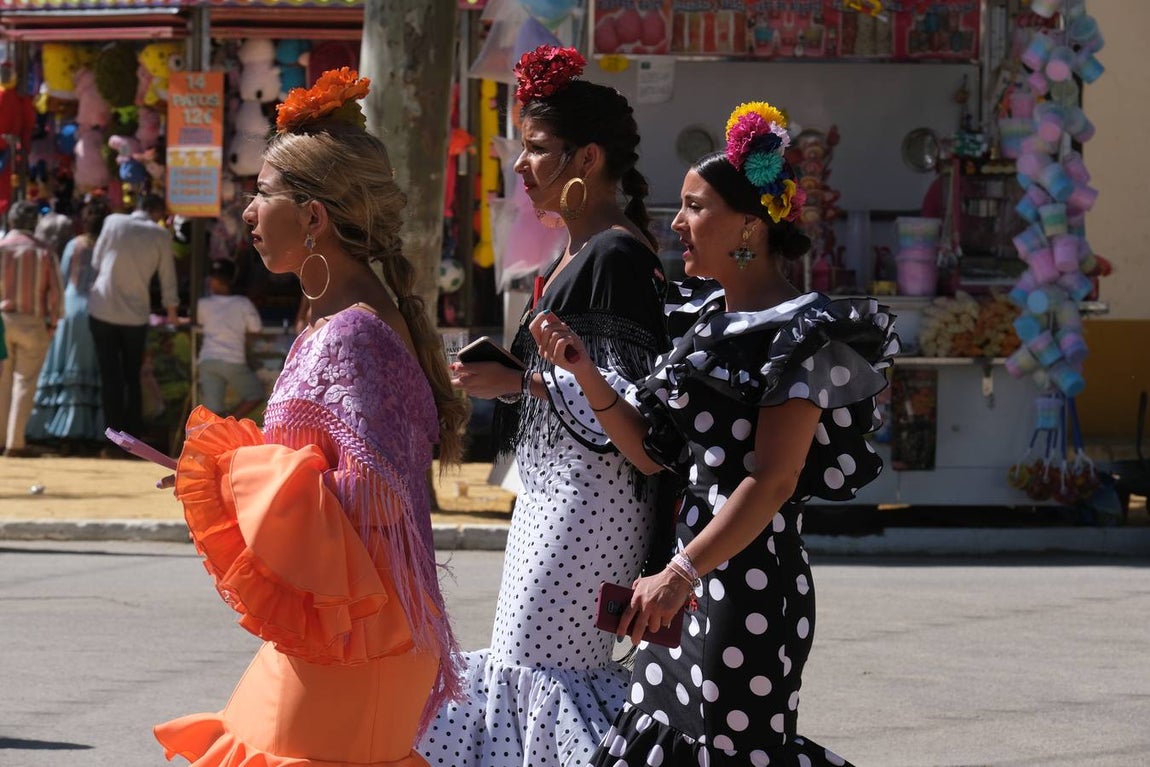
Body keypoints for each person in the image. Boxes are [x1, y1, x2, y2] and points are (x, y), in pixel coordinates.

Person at [531, 101, 900, 767]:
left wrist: (680, 571)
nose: (676, 223)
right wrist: (583, 372)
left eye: (695, 207)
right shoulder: (701, 322)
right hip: (685, 582)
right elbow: (651, 449)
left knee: (733, 750)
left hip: (747, 588)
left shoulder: (802, 329)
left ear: (750, 228)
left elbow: (773, 479)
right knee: (661, 743)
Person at [153, 67, 470, 767]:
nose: (248, 211)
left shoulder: (350, 334)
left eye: (263, 194)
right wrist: (238, 468)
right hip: (353, 635)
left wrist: (236, 472)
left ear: (315, 215)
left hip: (357, 642)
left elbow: (362, 505)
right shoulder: (348, 319)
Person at [419, 45, 671, 767]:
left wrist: (523, 384)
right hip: (560, 497)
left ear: (587, 158)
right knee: (532, 669)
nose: (520, 168)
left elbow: (628, 414)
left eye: (535, 150)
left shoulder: (613, 255)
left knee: (546, 674)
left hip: (592, 505)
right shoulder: (584, 251)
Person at [87, 192, 179, 444]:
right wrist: (172, 314)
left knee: (110, 376)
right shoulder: (160, 235)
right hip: (135, 316)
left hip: (102, 308)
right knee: (132, 374)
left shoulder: (114, 222)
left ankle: (110, 436)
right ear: (158, 213)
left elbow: (96, 261)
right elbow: (168, 279)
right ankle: (132, 436)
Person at [28, 197, 111, 447]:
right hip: (98, 308)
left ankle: (57, 428)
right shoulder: (107, 246)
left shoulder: (74, 244)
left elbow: (63, 278)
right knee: (91, 370)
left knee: (64, 368)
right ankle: (89, 430)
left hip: (72, 307)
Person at [0, 200, 63, 457]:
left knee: (2, 382)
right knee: (24, 384)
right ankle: (15, 443)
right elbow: (56, 294)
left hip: (2, 320)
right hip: (33, 321)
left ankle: (1, 438)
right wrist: (52, 324)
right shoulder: (44, 251)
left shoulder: (1, 248)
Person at [195, 258, 264, 420]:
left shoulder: (202, 304)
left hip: (208, 361)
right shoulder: (243, 303)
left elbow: (197, 323)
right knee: (255, 395)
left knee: (212, 413)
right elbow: (256, 329)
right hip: (233, 360)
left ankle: (220, 429)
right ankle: (228, 423)